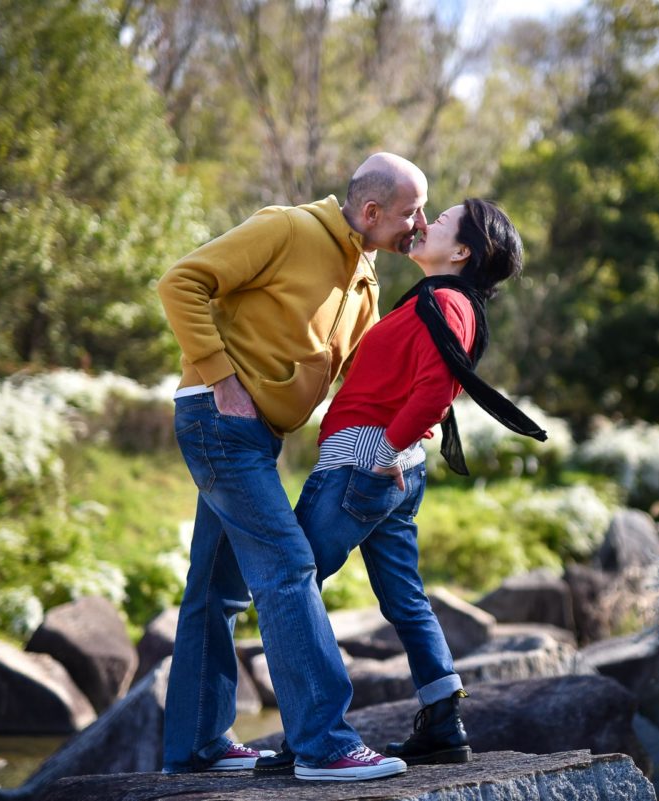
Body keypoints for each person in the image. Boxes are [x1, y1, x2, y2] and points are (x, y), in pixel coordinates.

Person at [156, 153, 428, 781]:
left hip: (255, 437)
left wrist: (389, 441)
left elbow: (360, 379)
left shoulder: (365, 279)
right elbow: (182, 282)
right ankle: (323, 744)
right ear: (370, 211)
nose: (419, 224)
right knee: (287, 565)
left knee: (215, 589)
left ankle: (198, 744)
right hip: (216, 418)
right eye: (411, 212)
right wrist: (222, 380)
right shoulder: (286, 228)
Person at [256, 199, 546, 773]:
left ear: (461, 252)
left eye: (442, 220)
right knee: (405, 598)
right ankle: (442, 722)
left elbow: (437, 388)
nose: (427, 221)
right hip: (389, 469)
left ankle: (316, 734)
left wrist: (386, 447)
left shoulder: (445, 301)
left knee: (291, 585)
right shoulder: (444, 302)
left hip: (363, 464)